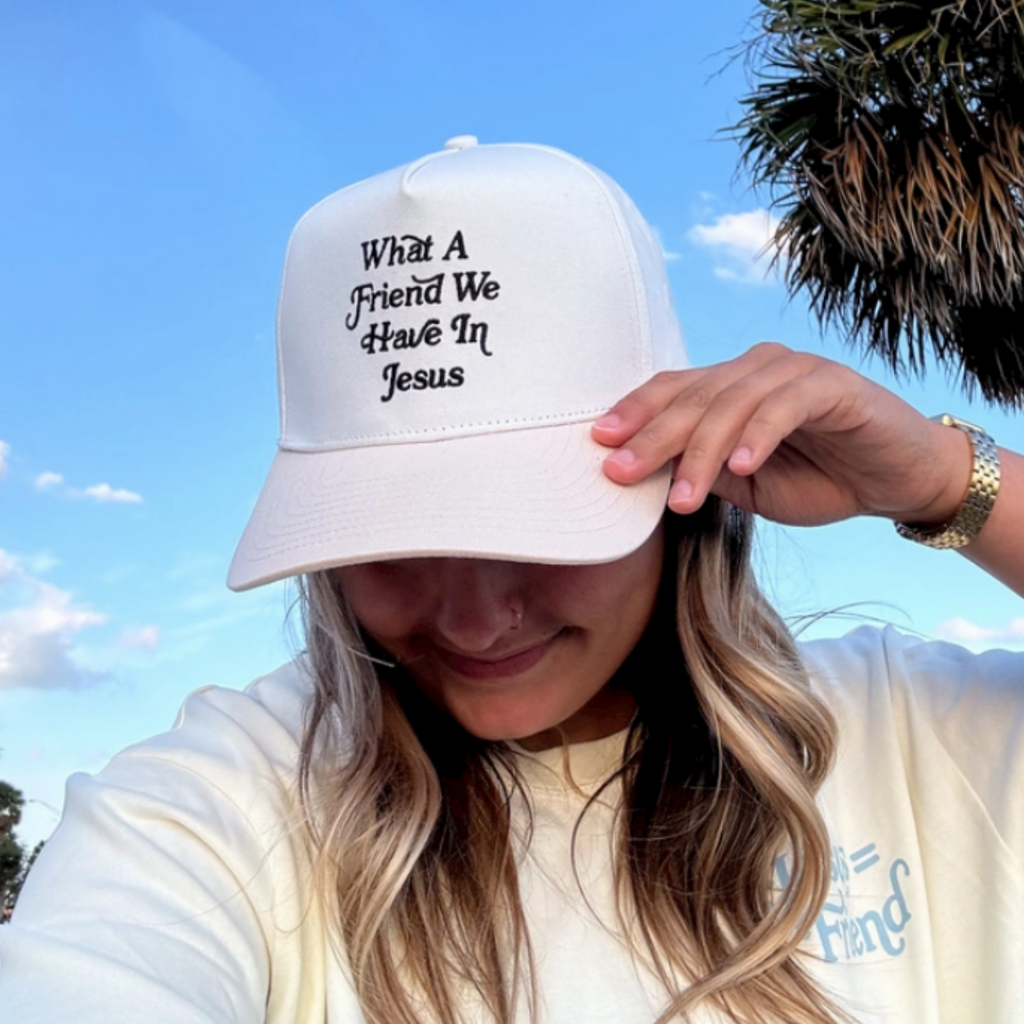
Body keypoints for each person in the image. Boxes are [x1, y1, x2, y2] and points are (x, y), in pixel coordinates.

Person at [1, 137, 1022, 1024]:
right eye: (388, 538)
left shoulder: (910, 728)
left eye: (539, 527)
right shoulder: (230, 798)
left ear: (685, 475)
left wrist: (948, 481)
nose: (475, 616)